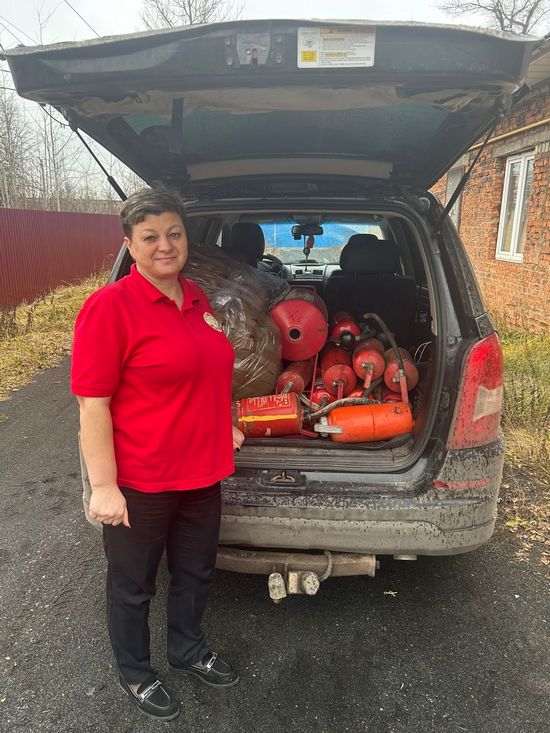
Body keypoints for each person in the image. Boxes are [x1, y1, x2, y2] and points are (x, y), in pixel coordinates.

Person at [71, 187, 244, 721]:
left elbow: (204, 371)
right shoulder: (110, 307)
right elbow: (93, 404)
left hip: (202, 471)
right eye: (150, 237)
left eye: (174, 233)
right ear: (130, 245)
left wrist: (224, 423)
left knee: (195, 572)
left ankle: (188, 650)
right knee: (133, 585)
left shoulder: (196, 299)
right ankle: (136, 672)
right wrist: (104, 486)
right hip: (142, 480)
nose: (165, 245)